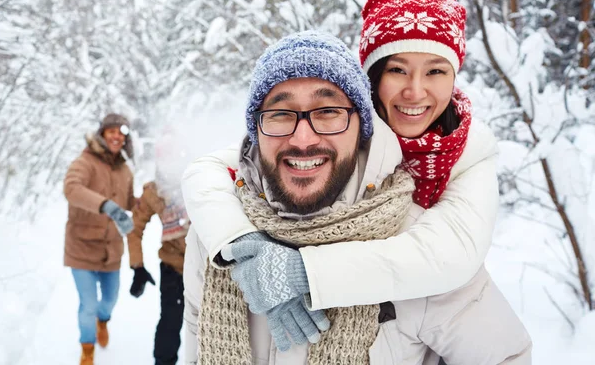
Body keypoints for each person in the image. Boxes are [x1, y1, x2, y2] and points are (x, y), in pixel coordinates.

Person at [181, 30, 531, 364]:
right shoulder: (219, 241)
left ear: (362, 128)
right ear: (257, 130)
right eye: (281, 113)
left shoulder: (419, 246)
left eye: (328, 112)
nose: (303, 139)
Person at [63, 113, 135, 365]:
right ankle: (87, 346)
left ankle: (103, 322)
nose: (117, 136)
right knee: (88, 304)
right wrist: (106, 205)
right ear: (102, 134)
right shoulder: (85, 161)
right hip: (81, 246)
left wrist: (150, 196)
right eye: (111, 131)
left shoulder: (125, 169)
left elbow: (128, 203)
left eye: (121, 132)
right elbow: (71, 189)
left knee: (110, 300)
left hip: (111, 249)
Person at [127, 131, 191, 365]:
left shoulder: (200, 179)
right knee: (170, 321)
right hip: (173, 266)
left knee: (212, 324)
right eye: (165, 158)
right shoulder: (153, 191)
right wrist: (137, 267)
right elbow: (134, 229)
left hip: (208, 269)